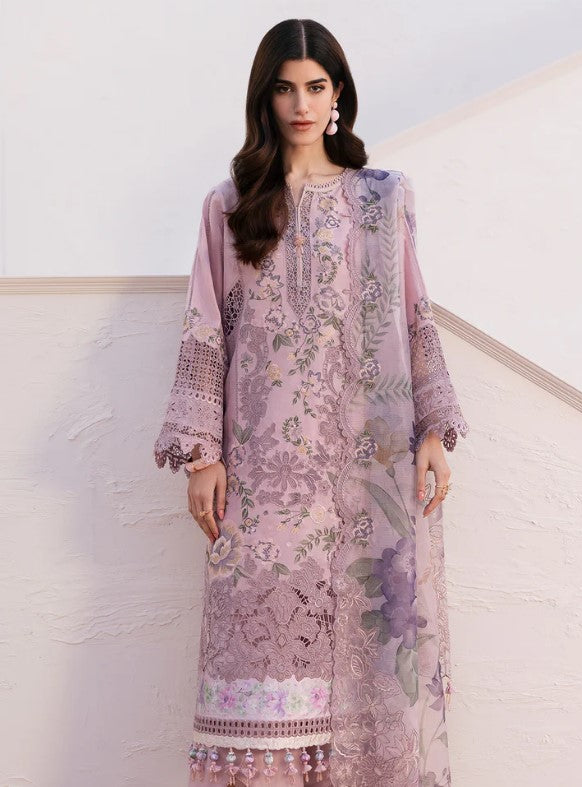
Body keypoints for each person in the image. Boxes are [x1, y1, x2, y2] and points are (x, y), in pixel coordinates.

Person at [153, 17, 469, 787]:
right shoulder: (230, 205)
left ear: (338, 95)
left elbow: (413, 312)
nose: (301, 104)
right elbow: (205, 325)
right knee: (258, 685)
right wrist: (203, 455)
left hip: (366, 475)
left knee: (368, 659)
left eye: (316, 87)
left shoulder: (382, 199)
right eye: (285, 88)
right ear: (264, 99)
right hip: (261, 486)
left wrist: (432, 428)